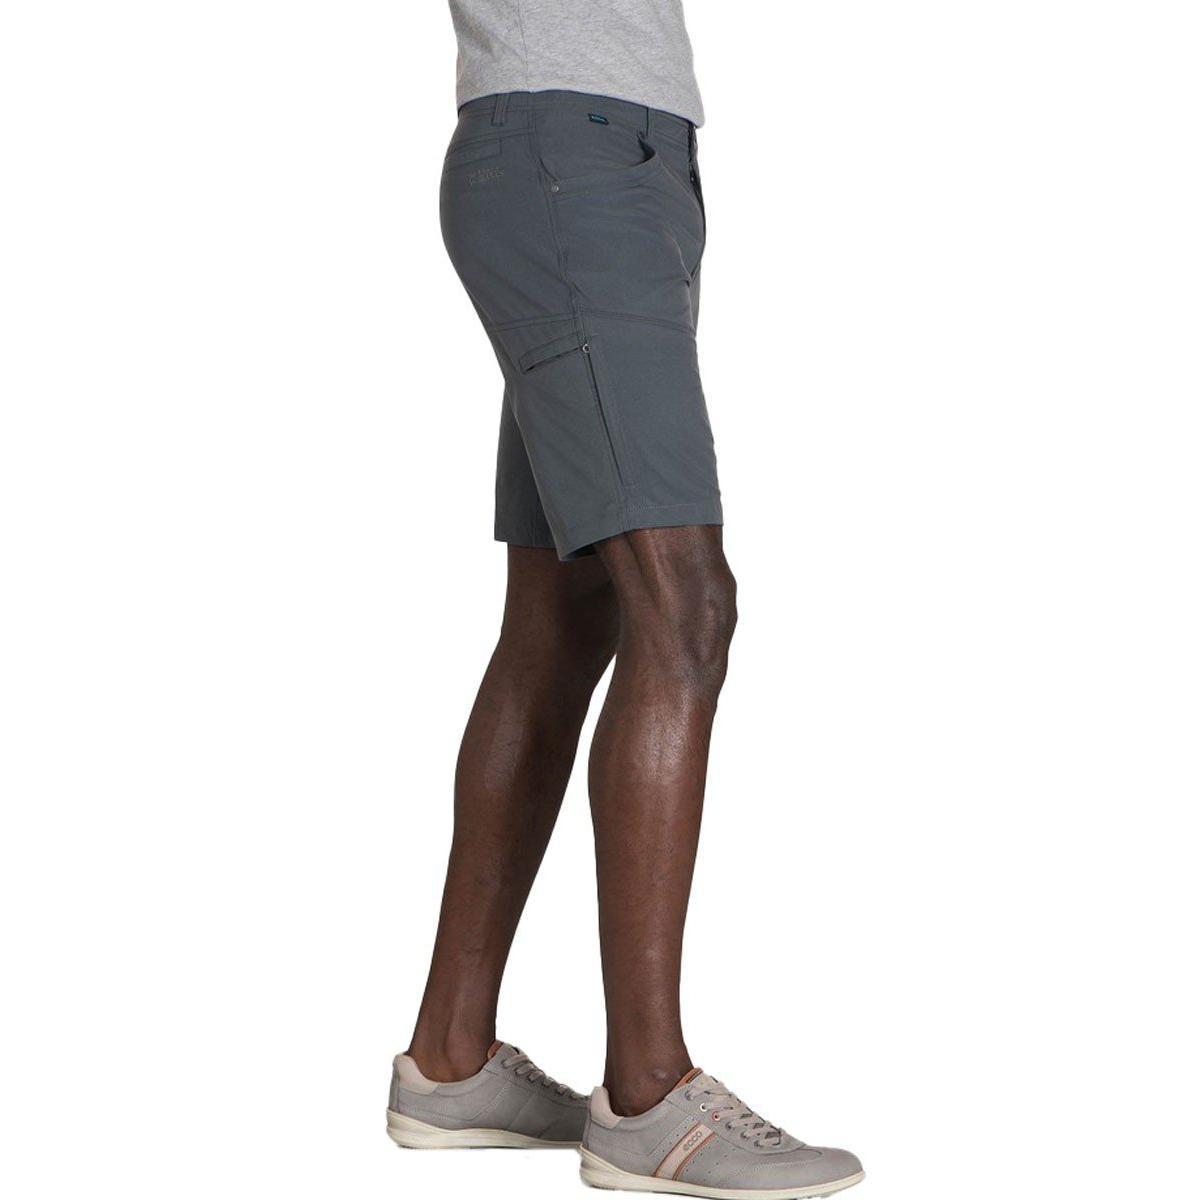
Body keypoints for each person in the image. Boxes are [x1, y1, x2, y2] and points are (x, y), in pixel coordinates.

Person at [386, 4, 864, 1196]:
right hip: (570, 157)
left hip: (613, 159)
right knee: (685, 610)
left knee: (568, 612)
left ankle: (451, 1060)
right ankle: (649, 1097)